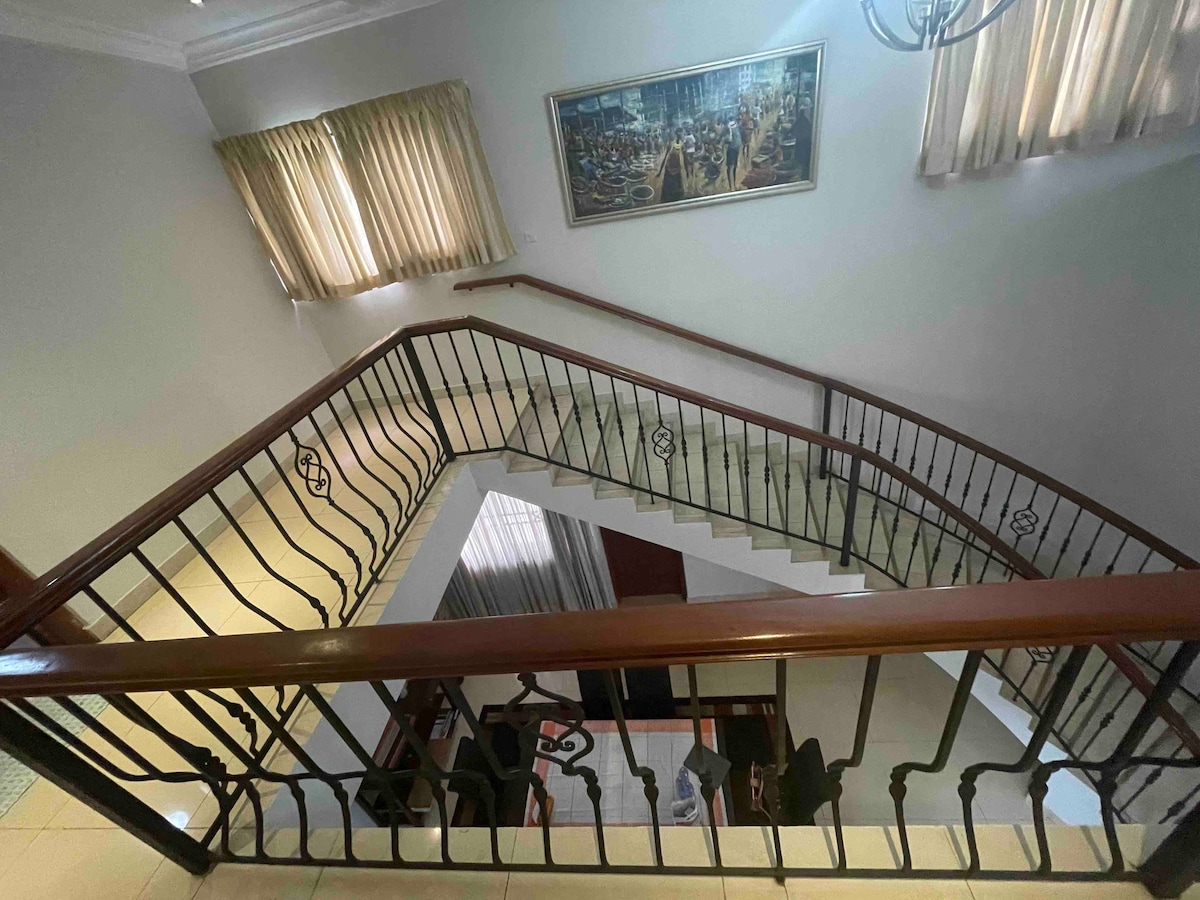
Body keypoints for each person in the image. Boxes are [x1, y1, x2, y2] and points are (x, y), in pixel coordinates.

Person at [657, 130, 686, 203]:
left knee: (676, 188)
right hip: (669, 169)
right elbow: (665, 158)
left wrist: (687, 170)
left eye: (680, 136)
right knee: (668, 189)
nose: (679, 137)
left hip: (677, 169)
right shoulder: (670, 145)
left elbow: (685, 158)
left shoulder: (682, 145)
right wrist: (660, 172)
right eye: (678, 135)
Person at [725, 119, 741, 190]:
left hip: (734, 149)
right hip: (732, 150)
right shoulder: (731, 129)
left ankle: (733, 185)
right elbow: (729, 139)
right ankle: (731, 186)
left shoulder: (732, 129)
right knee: (731, 168)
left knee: (733, 167)